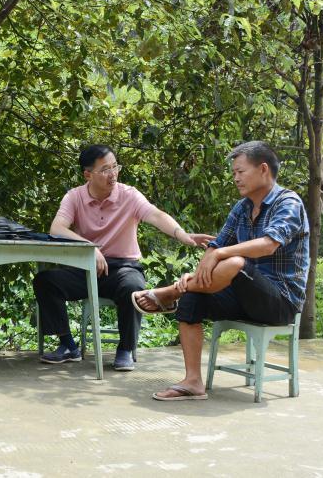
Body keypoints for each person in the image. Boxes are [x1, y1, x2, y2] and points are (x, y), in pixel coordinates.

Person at [132, 141, 309, 400]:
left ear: (263, 169)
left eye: (241, 171)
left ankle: (169, 292)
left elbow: (268, 245)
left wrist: (219, 254)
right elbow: (216, 245)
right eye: (234, 172)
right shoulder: (242, 207)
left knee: (236, 263)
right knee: (192, 297)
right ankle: (193, 382)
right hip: (243, 296)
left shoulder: (288, 202)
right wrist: (203, 268)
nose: (235, 178)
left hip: (280, 302)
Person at [34, 145, 213, 371]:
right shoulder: (75, 196)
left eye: (115, 167)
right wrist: (90, 248)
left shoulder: (129, 195)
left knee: (133, 287)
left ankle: (125, 349)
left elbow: (156, 215)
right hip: (86, 268)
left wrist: (181, 234)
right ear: (88, 174)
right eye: (105, 169)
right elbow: (57, 228)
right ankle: (68, 345)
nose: (113, 174)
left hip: (123, 268)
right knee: (45, 281)